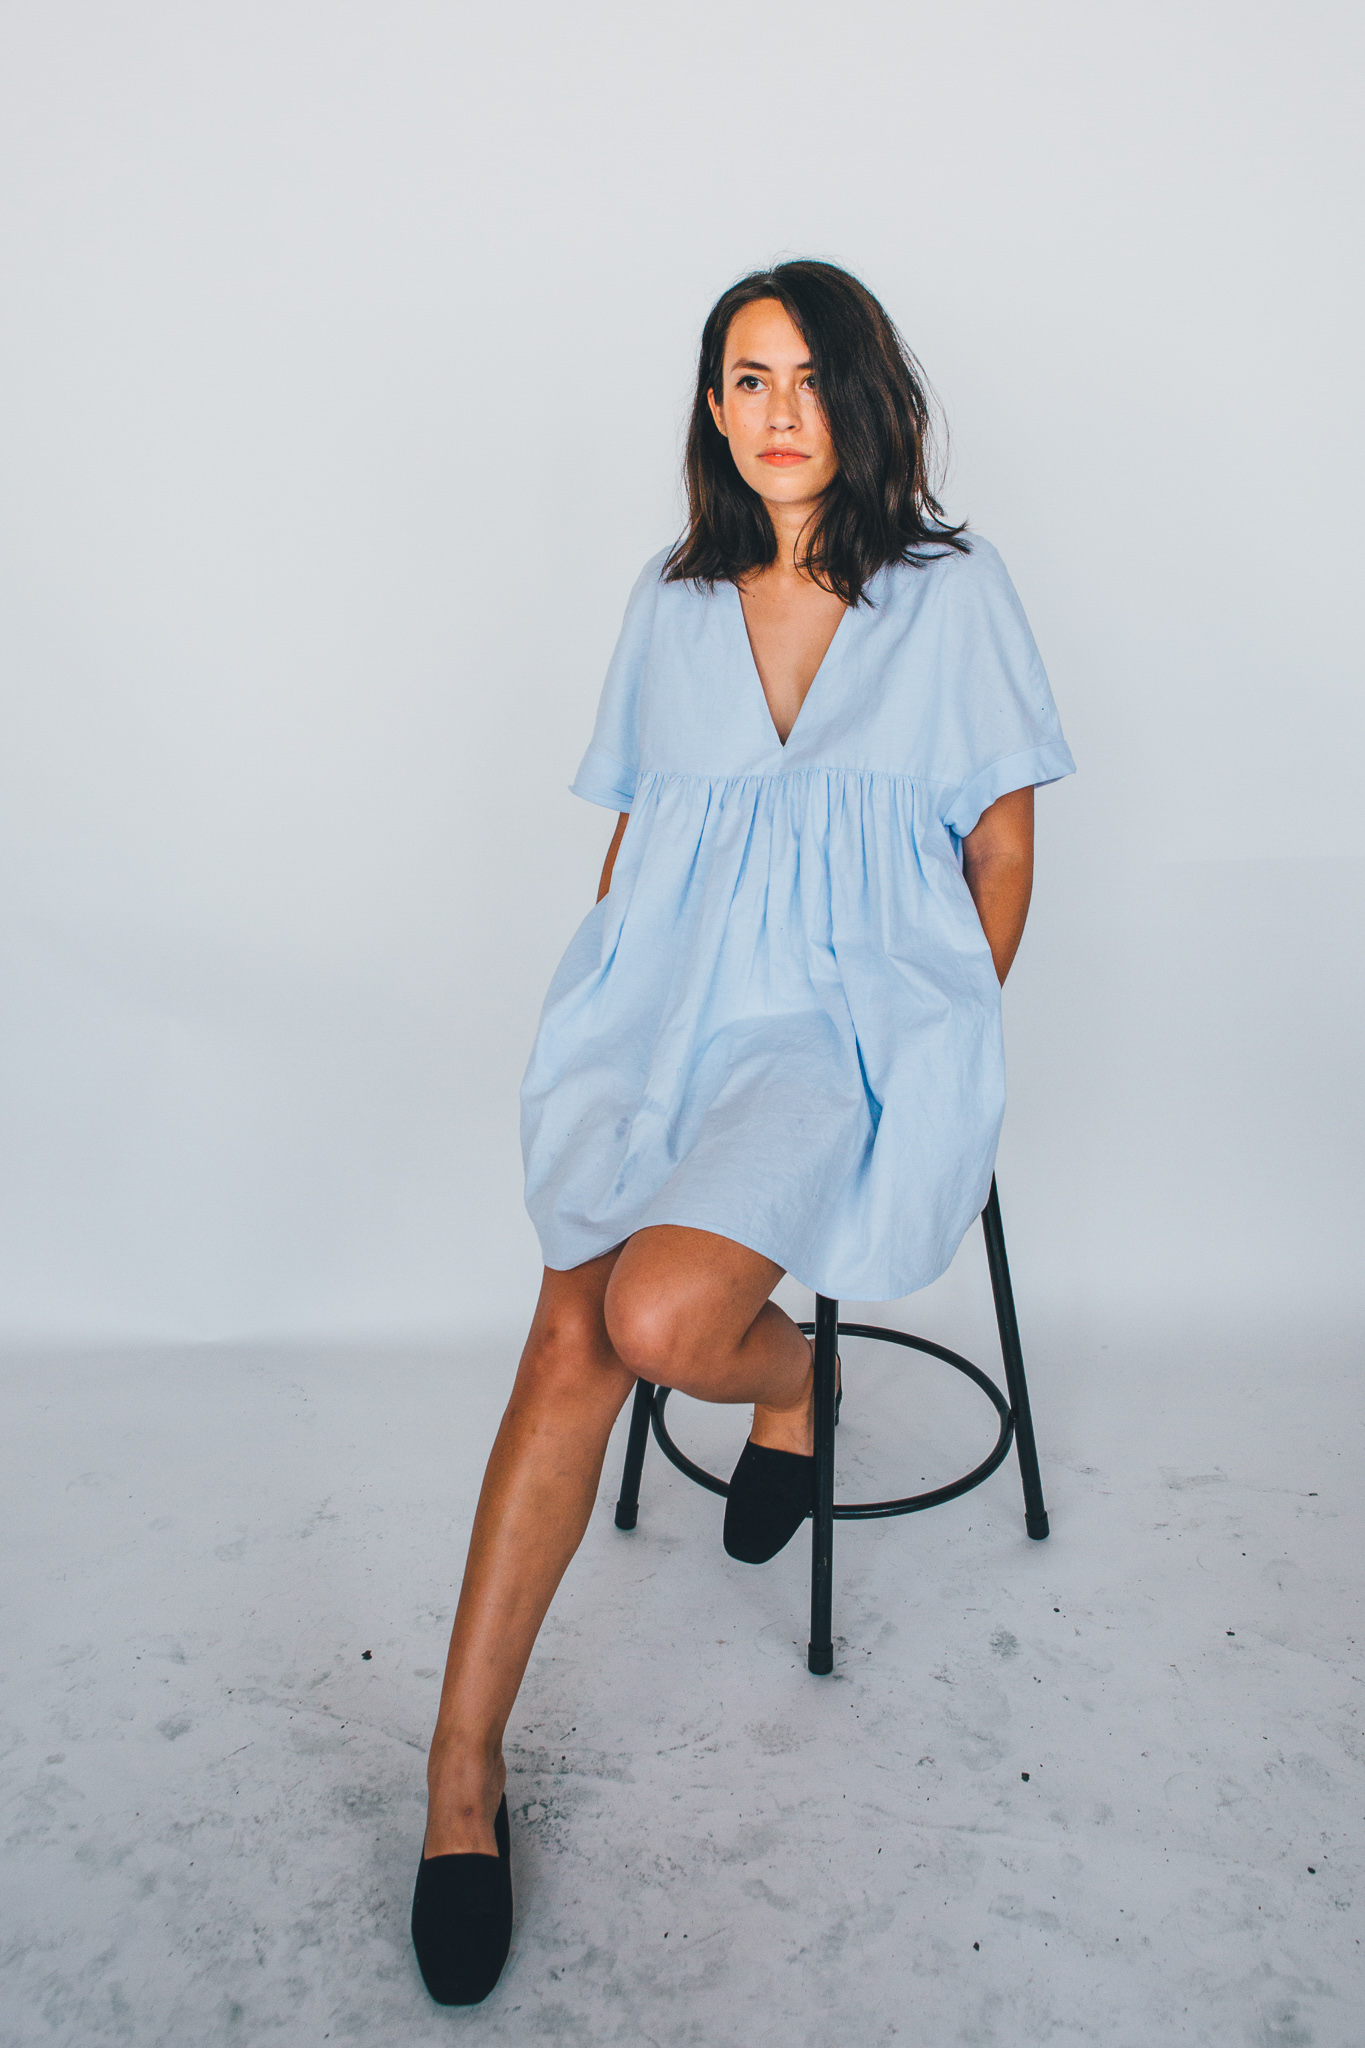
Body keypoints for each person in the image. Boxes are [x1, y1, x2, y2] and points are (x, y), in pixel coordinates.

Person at [410, 260, 1074, 2004]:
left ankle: (779, 1379)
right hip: (663, 1009)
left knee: (652, 1319)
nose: (774, 411)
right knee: (569, 1326)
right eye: (740, 379)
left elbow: (998, 858)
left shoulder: (952, 592)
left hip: (835, 1032)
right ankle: (460, 1776)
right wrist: (606, 1023)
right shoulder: (672, 594)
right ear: (713, 409)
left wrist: (932, 1041)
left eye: (803, 377)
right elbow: (638, 847)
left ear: (863, 398)